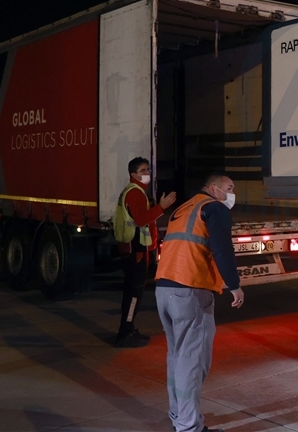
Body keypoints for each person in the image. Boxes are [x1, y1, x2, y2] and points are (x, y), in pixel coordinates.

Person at [155, 173, 244, 432]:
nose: (232, 193)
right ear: (214, 189)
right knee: (192, 362)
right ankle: (189, 426)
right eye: (229, 188)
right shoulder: (214, 208)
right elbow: (222, 248)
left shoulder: (184, 208)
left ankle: (179, 415)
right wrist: (234, 285)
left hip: (164, 290)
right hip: (190, 292)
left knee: (177, 358)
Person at [113, 157, 176, 348]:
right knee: (134, 293)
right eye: (143, 170)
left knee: (133, 292)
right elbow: (141, 220)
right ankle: (125, 333)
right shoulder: (135, 193)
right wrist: (161, 207)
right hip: (136, 251)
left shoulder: (135, 191)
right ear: (133, 174)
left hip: (136, 249)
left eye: (148, 169)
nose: (147, 173)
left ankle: (128, 328)